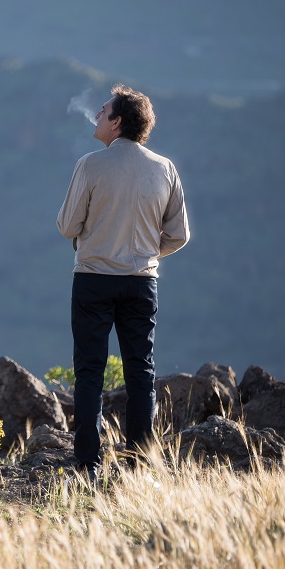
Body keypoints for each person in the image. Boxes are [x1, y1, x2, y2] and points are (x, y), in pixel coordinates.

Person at [56, 84, 189, 479]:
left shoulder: (90, 165)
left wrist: (93, 240)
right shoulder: (165, 168)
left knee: (89, 373)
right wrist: (147, 253)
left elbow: (67, 225)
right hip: (141, 282)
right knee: (141, 372)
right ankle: (138, 464)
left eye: (103, 111)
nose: (96, 115)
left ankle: (87, 466)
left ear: (117, 123)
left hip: (94, 280)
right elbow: (178, 234)